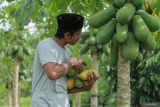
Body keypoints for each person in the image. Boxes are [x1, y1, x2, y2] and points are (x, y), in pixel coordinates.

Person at [31, 13, 98, 107]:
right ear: (67, 35)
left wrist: (86, 88)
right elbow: (52, 74)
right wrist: (71, 62)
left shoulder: (68, 52)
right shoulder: (46, 45)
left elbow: (62, 88)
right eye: (78, 34)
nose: (80, 37)